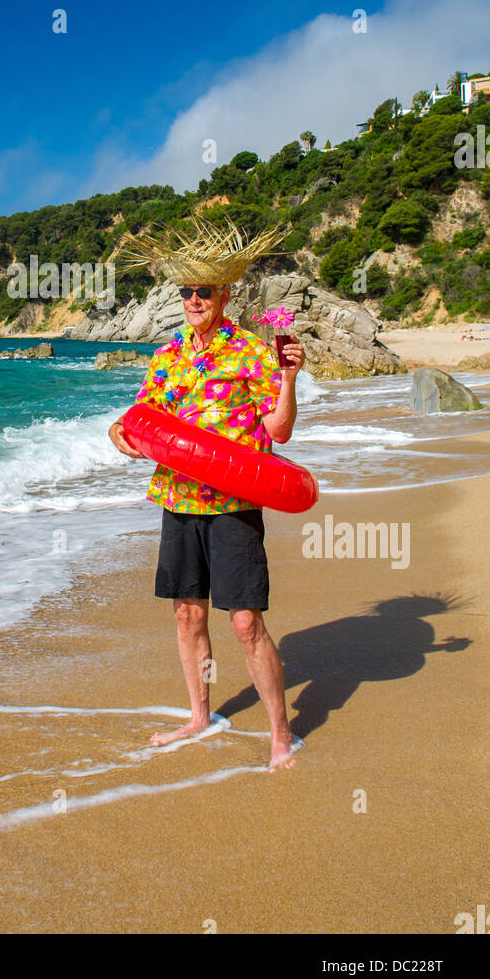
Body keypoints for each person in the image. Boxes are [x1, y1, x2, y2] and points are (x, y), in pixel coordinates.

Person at [109, 218, 304, 771]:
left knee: (245, 622)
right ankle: (199, 716)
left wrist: (289, 380)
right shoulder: (168, 355)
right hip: (178, 499)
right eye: (186, 292)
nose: (194, 300)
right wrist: (117, 432)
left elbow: (281, 430)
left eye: (204, 291)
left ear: (225, 294)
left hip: (234, 503)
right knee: (187, 615)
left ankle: (280, 734)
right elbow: (142, 418)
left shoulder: (249, 351)